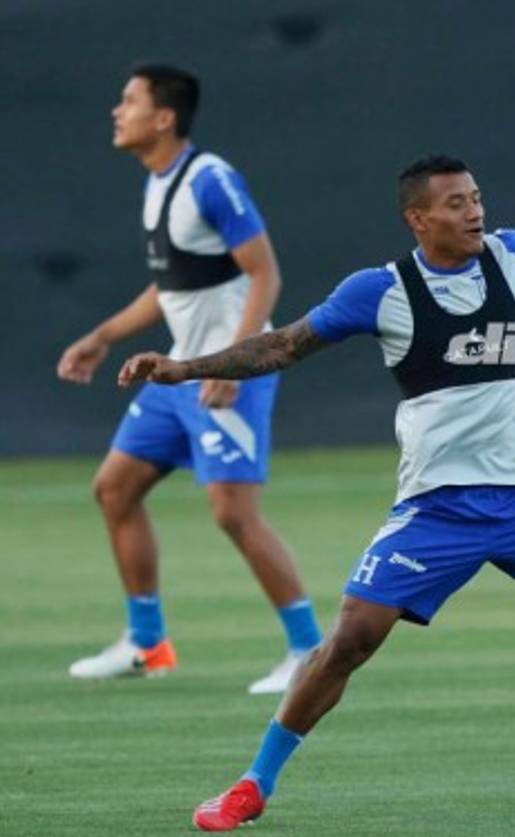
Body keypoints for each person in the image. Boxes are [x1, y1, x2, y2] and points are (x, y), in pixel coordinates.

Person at [118, 155, 515, 830]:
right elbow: (282, 347)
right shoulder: (380, 290)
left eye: (477, 197)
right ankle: (252, 786)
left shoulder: (511, 255)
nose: (474, 212)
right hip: (437, 507)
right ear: (418, 219)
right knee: (348, 642)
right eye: (455, 203)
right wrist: (183, 368)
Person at [56, 64, 320, 694]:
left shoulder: (210, 180)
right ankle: (148, 644)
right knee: (114, 488)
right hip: (180, 371)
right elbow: (171, 287)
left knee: (233, 512)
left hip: (225, 372)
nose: (117, 112)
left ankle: (310, 651)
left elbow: (266, 274)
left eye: (129, 101)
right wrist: (103, 336)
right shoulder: (158, 184)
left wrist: (236, 361)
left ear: (164, 117)